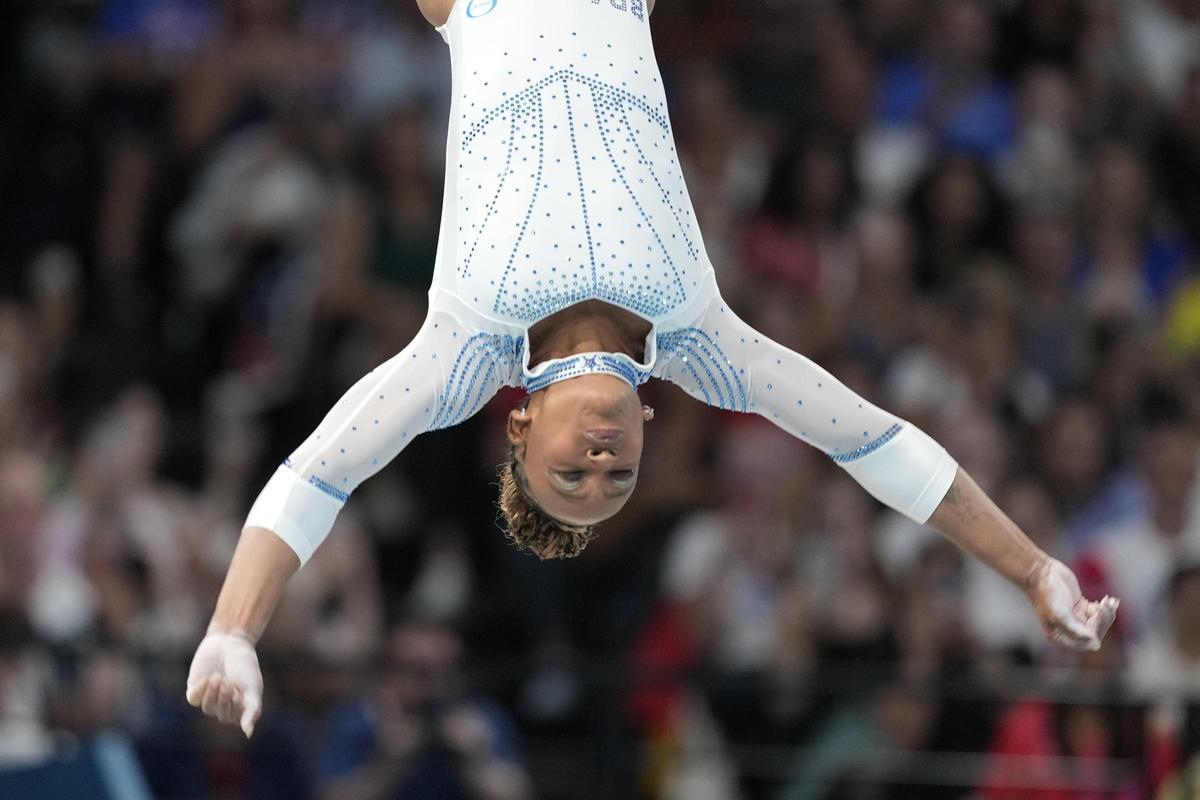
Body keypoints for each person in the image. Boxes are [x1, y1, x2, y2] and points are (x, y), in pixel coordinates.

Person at [186, 0, 1119, 738]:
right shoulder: (705, 343)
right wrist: (1034, 571)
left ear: (519, 426)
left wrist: (233, 629)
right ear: (648, 433)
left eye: (571, 473)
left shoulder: (461, 353)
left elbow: (318, 473)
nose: (599, 455)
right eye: (615, 474)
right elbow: (875, 442)